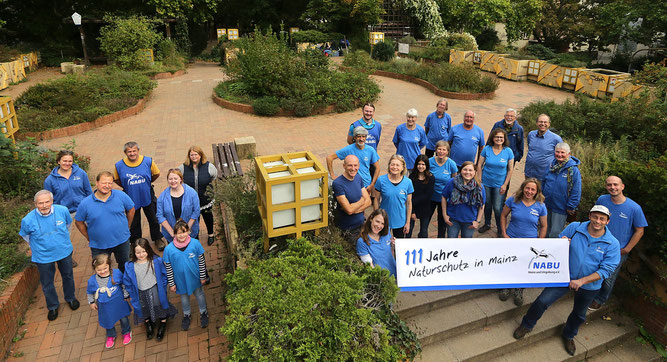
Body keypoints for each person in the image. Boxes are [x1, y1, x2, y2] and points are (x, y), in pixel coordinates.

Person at [513, 205, 620, 356]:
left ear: (607, 221)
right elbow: (556, 246)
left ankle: (569, 335)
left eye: (602, 218)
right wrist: (562, 242)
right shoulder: (576, 228)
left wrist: (582, 281)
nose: (598, 221)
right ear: (589, 216)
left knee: (579, 314)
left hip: (589, 285)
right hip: (563, 277)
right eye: (595, 216)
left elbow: (606, 270)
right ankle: (527, 325)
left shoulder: (612, 243)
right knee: (542, 301)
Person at [19, 190, 80, 321]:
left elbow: (68, 225)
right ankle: (52, 306)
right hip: (43, 256)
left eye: (47, 202)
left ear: (52, 201)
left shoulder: (62, 211)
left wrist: (61, 239)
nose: (44, 205)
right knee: (47, 283)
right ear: (35, 204)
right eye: (41, 203)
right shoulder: (27, 220)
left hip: (63, 251)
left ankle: (70, 298)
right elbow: (26, 236)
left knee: (68, 276)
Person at [588, 176, 647, 310]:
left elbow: (640, 231)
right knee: (593, 270)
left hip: (618, 250)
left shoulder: (634, 208)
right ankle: (588, 293)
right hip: (598, 244)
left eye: (615, 185)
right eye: (609, 185)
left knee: (608, 278)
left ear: (622, 186)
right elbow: (595, 218)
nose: (612, 187)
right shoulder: (602, 200)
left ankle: (600, 299)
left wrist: (627, 249)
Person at [498, 178, 548, 305]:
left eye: (533, 189)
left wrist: (539, 243)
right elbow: (503, 216)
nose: (529, 191)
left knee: (524, 266)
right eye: (527, 188)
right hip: (512, 238)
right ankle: (507, 286)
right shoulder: (513, 200)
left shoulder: (541, 206)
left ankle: (519, 289)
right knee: (509, 263)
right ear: (523, 188)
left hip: (529, 243)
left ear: (537, 192)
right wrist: (504, 233)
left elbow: (544, 226)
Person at [75, 171, 135, 273]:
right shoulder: (85, 203)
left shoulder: (121, 195)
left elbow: (131, 209)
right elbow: (79, 222)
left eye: (110, 183)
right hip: (99, 245)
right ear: (97, 183)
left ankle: (126, 286)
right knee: (102, 270)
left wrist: (127, 226)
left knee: (125, 266)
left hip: (122, 240)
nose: (107, 186)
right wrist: (88, 237)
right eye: (104, 183)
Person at [44, 150, 93, 268]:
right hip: (63, 212)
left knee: (94, 230)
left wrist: (91, 206)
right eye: (64, 160)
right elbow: (49, 199)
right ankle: (68, 258)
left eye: (70, 161)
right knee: (64, 236)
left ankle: (98, 253)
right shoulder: (50, 180)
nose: (67, 163)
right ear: (58, 161)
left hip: (83, 208)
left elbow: (88, 192)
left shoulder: (80, 173)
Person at [113, 141, 165, 250]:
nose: (132, 153)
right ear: (125, 152)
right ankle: (135, 242)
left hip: (147, 195)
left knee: (153, 219)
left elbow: (156, 174)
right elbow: (117, 179)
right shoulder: (119, 165)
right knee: (134, 222)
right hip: (130, 197)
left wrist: (147, 182)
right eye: (129, 151)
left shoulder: (148, 161)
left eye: (134, 151)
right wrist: (127, 186)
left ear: (138, 151)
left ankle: (157, 238)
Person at [123, 239, 176, 342]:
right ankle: (148, 323)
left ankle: (163, 321)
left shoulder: (156, 261)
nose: (141, 254)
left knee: (158, 304)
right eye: (138, 252)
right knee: (143, 307)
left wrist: (163, 285)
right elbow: (127, 281)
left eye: (143, 251)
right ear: (133, 252)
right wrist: (130, 292)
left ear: (148, 250)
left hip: (155, 288)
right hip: (140, 291)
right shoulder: (130, 266)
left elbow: (164, 274)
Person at [163, 220, 209, 331]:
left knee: (199, 295)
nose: (181, 235)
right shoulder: (169, 250)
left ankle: (204, 312)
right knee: (184, 299)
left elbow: (202, 261)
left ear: (188, 231)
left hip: (195, 278)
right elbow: (168, 267)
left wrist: (203, 276)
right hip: (180, 281)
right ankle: (186, 315)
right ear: (174, 234)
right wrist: (172, 283)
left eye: (184, 232)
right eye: (178, 233)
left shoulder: (195, 244)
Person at [87, 253, 133, 349]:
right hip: (104, 306)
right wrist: (91, 302)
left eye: (105, 268)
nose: (102, 271)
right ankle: (111, 335)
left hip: (119, 303)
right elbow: (90, 292)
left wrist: (126, 294)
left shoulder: (116, 274)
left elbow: (123, 284)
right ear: (94, 269)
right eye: (99, 270)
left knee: (123, 318)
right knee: (108, 320)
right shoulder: (92, 280)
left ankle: (126, 331)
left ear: (109, 266)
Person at [476, 129, 514, 236]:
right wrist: (479, 181)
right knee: (487, 205)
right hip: (486, 183)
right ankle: (487, 224)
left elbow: (510, 169)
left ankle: (500, 228)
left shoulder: (508, 151)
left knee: (497, 208)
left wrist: (505, 184)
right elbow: (479, 165)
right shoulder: (487, 149)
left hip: (499, 185)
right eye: (497, 137)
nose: (499, 139)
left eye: (501, 137)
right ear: (493, 138)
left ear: (504, 139)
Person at [178, 146, 218, 246]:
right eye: (192, 155)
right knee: (193, 220)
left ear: (200, 155)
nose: (194, 156)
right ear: (189, 156)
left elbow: (214, 176)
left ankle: (211, 234)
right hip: (190, 201)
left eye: (196, 154)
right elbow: (178, 179)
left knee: (208, 217)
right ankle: (195, 238)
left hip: (205, 199)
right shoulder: (182, 168)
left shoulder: (209, 166)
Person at [543, 142, 581, 238]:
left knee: (555, 232)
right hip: (546, 204)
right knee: (544, 229)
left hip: (561, 207)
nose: (559, 155)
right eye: (557, 152)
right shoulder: (551, 165)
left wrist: (571, 205)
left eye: (562, 152)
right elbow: (544, 181)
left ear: (568, 154)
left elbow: (576, 190)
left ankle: (552, 252)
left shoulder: (572, 170)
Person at [332, 155, 372, 242]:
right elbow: (349, 210)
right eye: (350, 165)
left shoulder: (358, 178)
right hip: (349, 230)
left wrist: (355, 210)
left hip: (362, 224)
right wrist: (362, 201)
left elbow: (369, 201)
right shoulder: (338, 183)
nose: (353, 168)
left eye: (355, 165)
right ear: (344, 166)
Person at [327, 126, 380, 192]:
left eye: (363, 136)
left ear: (366, 137)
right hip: (351, 185)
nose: (361, 139)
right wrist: (332, 175)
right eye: (359, 136)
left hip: (366, 184)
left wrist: (372, 184)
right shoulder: (348, 149)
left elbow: (377, 168)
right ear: (354, 137)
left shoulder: (371, 150)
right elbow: (329, 158)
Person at [373, 155, 414, 238]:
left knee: (398, 246)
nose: (394, 167)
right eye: (392, 164)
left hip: (400, 221)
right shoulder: (381, 180)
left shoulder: (408, 182)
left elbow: (409, 203)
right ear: (389, 166)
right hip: (383, 220)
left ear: (403, 167)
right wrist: (376, 217)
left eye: (397, 165)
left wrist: (408, 222)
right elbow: (376, 199)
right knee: (383, 245)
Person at [442, 161, 486, 238]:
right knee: (451, 243)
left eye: (470, 170)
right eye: (465, 169)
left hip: (470, 221)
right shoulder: (452, 182)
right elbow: (444, 197)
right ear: (461, 170)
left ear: (475, 172)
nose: (467, 172)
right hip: (453, 219)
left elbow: (482, 205)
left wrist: (478, 221)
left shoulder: (479, 187)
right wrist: (444, 215)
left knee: (465, 244)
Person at [156, 169, 201, 244]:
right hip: (171, 235)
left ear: (180, 179)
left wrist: (186, 229)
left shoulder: (192, 193)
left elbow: (196, 212)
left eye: (175, 178)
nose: (173, 181)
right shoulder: (162, 197)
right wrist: (172, 232)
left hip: (190, 232)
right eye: (170, 179)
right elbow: (160, 216)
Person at [429, 141, 458, 238]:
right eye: (439, 149)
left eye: (444, 150)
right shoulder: (429, 162)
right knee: (426, 220)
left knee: (442, 222)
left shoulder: (451, 164)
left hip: (445, 198)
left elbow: (455, 181)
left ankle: (440, 241)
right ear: (436, 150)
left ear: (447, 151)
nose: (441, 151)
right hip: (431, 197)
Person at [356, 208, 396, 277]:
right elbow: (370, 266)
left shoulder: (386, 233)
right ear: (371, 218)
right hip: (383, 280)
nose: (379, 226)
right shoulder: (362, 242)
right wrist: (382, 281)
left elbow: (389, 252)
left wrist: (394, 245)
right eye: (377, 221)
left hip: (396, 274)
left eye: (382, 223)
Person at [524, 114, 563, 184]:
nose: (543, 124)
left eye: (545, 122)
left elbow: (562, 157)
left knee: (542, 195)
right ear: (536, 123)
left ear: (549, 124)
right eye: (540, 122)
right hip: (529, 173)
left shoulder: (556, 139)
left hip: (544, 176)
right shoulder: (531, 134)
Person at [408, 155, 435, 238]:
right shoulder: (412, 177)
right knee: (409, 230)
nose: (421, 166)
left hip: (425, 208)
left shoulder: (431, 178)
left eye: (423, 164)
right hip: (412, 207)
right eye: (419, 164)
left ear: (426, 166)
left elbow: (427, 196)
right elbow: (409, 194)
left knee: (424, 232)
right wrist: (412, 211)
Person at [392, 108, 426, 172]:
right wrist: (402, 148)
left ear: (416, 118)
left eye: (413, 117)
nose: (410, 119)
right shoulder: (400, 128)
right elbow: (396, 142)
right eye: (409, 117)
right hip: (401, 159)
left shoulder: (420, 130)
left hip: (414, 159)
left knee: (413, 180)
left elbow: (423, 143)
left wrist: (414, 149)